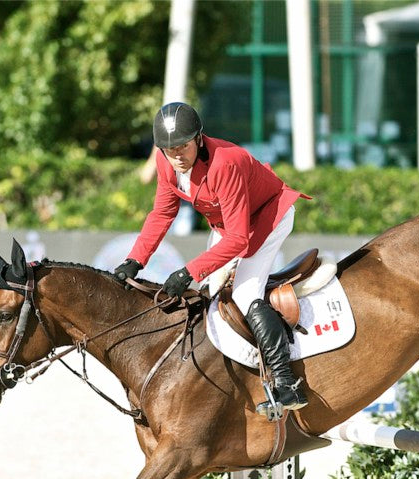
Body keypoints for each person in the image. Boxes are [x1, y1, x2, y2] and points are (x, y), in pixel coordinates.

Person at [113, 102, 310, 412]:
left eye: (182, 146)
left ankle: (288, 384)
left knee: (244, 294)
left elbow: (238, 239)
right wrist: (135, 260)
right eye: (167, 149)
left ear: (199, 139)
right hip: (229, 224)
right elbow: (163, 212)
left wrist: (188, 271)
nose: (176, 155)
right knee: (210, 295)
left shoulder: (225, 164)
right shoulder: (168, 164)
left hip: (268, 217)